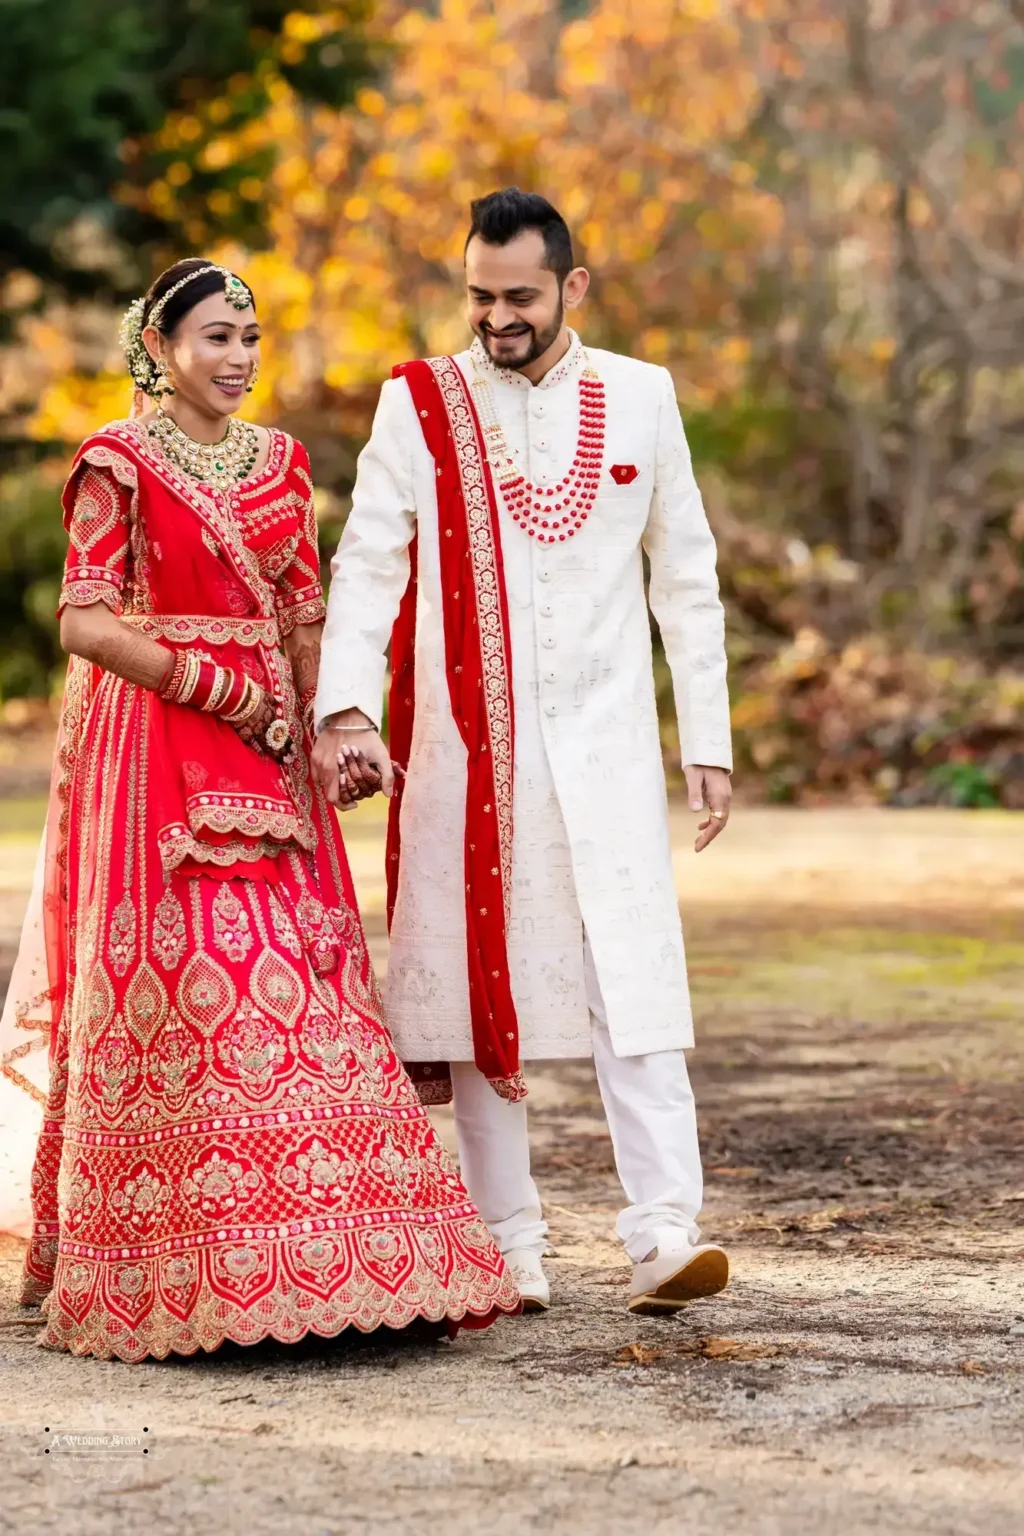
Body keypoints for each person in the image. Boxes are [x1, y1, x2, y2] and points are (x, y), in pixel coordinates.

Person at [0, 257, 519, 1360]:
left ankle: (356, 1259)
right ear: (160, 346)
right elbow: (85, 624)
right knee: (192, 980)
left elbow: (301, 613)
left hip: (273, 753)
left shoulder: (282, 464)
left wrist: (333, 729)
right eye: (215, 339)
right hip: (155, 748)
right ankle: (182, 1271)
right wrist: (215, 685)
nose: (237, 359)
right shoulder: (118, 464)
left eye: (249, 338)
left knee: (308, 984)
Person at [312, 189, 734, 1315]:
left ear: (572, 287)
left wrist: (709, 739)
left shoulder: (641, 398)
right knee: (465, 982)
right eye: (477, 296)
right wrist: (347, 707)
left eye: (517, 298)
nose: (493, 318)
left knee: (631, 980)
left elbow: (682, 576)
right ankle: (507, 1241)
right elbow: (368, 561)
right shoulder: (421, 406)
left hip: (604, 748)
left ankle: (662, 1233)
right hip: (461, 747)